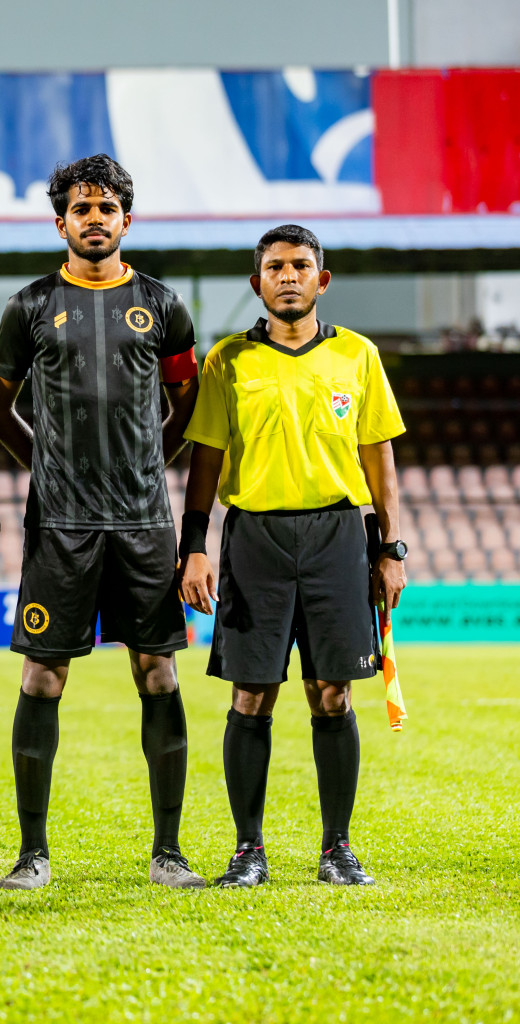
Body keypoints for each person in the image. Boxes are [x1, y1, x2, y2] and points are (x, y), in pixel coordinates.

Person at [0, 154, 205, 890]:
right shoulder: (28, 307)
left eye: (107, 208)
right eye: (81, 209)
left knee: (158, 670)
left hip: (144, 522)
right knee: (43, 677)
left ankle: (168, 853)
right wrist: (42, 459)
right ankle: (32, 854)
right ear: (61, 222)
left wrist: (152, 460)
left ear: (125, 220)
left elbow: (188, 402)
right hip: (62, 524)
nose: (95, 219)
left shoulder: (164, 306)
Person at [179, 224, 406, 888]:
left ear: (321, 280)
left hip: (338, 536)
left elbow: (380, 460)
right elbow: (205, 461)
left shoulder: (358, 357)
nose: (286, 275)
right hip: (254, 540)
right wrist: (194, 546)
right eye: (273, 266)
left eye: (299, 265)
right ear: (257, 283)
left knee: (331, 693)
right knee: (253, 695)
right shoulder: (227, 361)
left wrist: (389, 548)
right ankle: (248, 850)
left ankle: (337, 847)